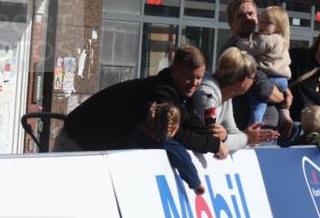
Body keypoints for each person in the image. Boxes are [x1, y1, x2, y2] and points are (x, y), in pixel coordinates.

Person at [56, 45, 225, 156]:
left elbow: (187, 121)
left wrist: (216, 135)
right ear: (174, 71)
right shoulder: (159, 92)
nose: (194, 84)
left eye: (199, 78)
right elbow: (173, 133)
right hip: (77, 141)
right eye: (188, 77)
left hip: (94, 145)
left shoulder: (175, 94)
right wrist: (213, 145)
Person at [219, 0, 290, 130]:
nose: (248, 18)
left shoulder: (267, 40)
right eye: (241, 15)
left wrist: (285, 90)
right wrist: (284, 96)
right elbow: (262, 88)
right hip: (247, 130)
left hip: (272, 131)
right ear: (231, 23)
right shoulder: (233, 49)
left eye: (251, 13)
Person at [191, 47, 281, 153]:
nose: (253, 82)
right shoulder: (207, 95)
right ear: (243, 81)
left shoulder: (226, 98)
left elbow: (232, 134)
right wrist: (245, 138)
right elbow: (210, 140)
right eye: (253, 78)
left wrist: (237, 138)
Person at [130, 103, 205, 194]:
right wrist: (196, 184)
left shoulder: (138, 134)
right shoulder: (168, 145)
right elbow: (184, 161)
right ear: (174, 129)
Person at [245, 5, 292, 128]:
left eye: (268, 23)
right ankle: (285, 116)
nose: (262, 25)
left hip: (268, 77)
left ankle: (255, 127)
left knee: (257, 106)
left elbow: (251, 49)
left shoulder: (267, 39)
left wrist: (239, 41)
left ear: (279, 27)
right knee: (283, 104)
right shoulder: (283, 41)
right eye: (261, 21)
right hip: (283, 81)